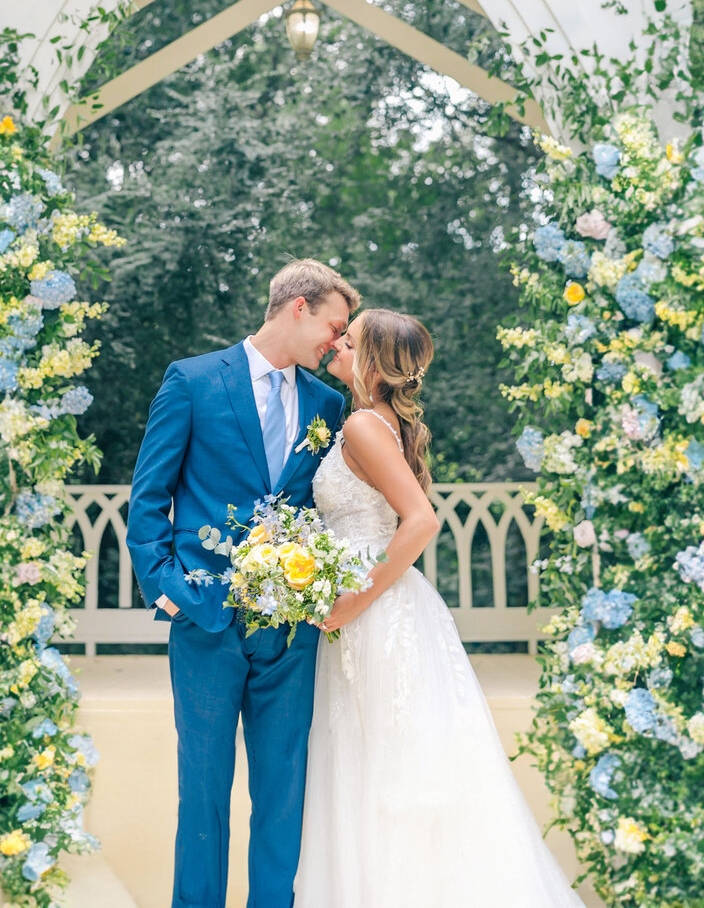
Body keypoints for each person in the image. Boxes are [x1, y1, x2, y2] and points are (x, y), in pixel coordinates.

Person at [294, 308, 586, 908]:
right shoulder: (375, 423)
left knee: (385, 766)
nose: (336, 349)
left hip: (376, 610)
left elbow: (421, 520)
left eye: (347, 343)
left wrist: (356, 599)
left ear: (371, 361)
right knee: (382, 759)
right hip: (381, 605)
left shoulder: (363, 428)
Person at [126, 259, 360, 908]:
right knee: (201, 793)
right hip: (204, 620)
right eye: (334, 326)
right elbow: (148, 501)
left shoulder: (328, 403)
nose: (337, 344)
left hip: (290, 632)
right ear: (297, 308)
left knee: (283, 796)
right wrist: (168, 588)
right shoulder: (193, 381)